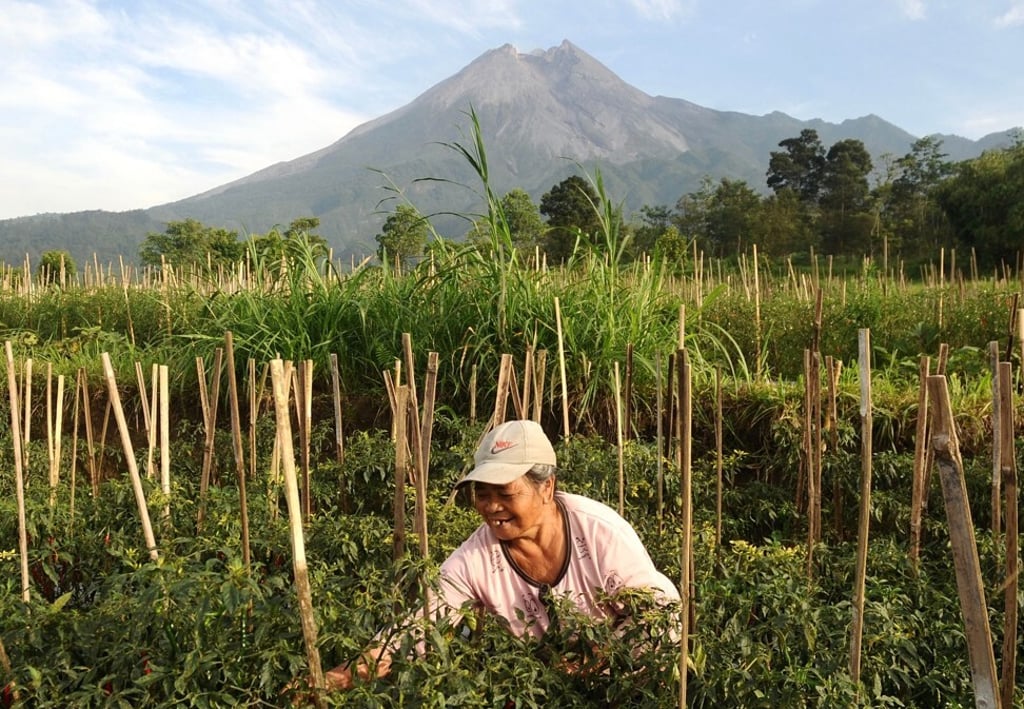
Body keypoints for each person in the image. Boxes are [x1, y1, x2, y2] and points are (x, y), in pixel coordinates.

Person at [321, 419, 679, 691]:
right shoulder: (476, 559)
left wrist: (593, 665)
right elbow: (419, 627)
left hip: (629, 682)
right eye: (481, 492)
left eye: (506, 493)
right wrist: (344, 675)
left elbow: (663, 617)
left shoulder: (599, 533)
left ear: (546, 487)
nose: (491, 507)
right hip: (549, 688)